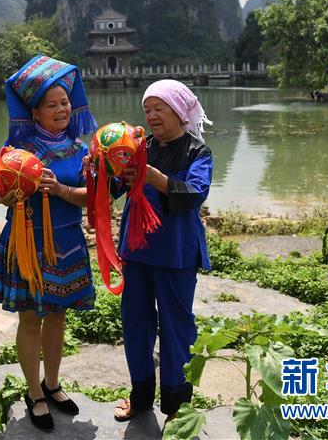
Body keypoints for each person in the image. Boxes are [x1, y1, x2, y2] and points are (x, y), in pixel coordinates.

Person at [0, 55, 98, 431]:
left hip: (66, 243)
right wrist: (3, 197)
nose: (62, 109)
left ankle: (52, 384)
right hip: (26, 244)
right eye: (52, 104)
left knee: (59, 316)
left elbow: (93, 197)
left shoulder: (80, 148)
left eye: (65, 102)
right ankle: (34, 392)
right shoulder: (17, 148)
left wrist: (60, 189)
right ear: (34, 112)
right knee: (31, 318)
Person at [109, 79, 213, 424]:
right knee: (135, 323)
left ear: (180, 111)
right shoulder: (137, 147)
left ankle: (177, 406)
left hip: (176, 252)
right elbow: (112, 187)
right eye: (147, 110)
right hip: (137, 251)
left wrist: (155, 178)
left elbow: (194, 195)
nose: (151, 116)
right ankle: (140, 397)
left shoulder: (197, 151)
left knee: (176, 327)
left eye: (159, 108)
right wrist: (101, 169)